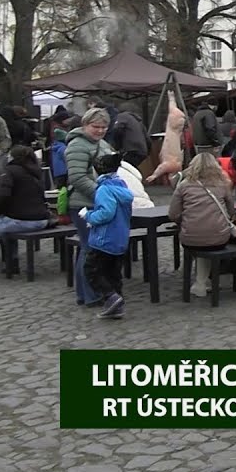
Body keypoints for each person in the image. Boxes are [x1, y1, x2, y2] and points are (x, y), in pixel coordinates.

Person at [66, 108, 116, 307]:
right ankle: (90, 294)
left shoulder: (102, 144)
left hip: (98, 201)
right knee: (89, 249)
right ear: (85, 125)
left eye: (104, 127)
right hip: (83, 203)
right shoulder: (77, 145)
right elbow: (77, 177)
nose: (100, 131)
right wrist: (102, 195)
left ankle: (88, 292)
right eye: (96, 127)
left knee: (91, 248)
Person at [168, 153, 236, 298]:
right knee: (209, 238)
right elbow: (231, 212)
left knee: (199, 240)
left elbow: (173, 214)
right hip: (219, 237)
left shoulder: (183, 186)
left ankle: (200, 283)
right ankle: (203, 282)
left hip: (191, 237)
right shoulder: (222, 185)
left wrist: (186, 221)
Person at [79, 153, 134, 319]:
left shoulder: (104, 189)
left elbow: (106, 213)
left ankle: (111, 297)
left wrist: (88, 216)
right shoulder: (122, 186)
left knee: (92, 270)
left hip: (103, 239)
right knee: (113, 273)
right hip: (120, 238)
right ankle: (117, 304)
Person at [0, 145, 52, 273]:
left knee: (5, 222)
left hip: (22, 221)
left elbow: (3, 196)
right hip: (42, 219)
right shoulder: (36, 171)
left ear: (13, 157)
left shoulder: (10, 171)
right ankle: (12, 263)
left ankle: (12, 262)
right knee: (7, 223)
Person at [109, 102, 151, 169]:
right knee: (131, 168)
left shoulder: (122, 116)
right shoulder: (138, 121)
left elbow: (117, 129)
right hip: (142, 151)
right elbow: (147, 139)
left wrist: (117, 146)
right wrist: (147, 151)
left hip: (129, 149)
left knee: (123, 168)